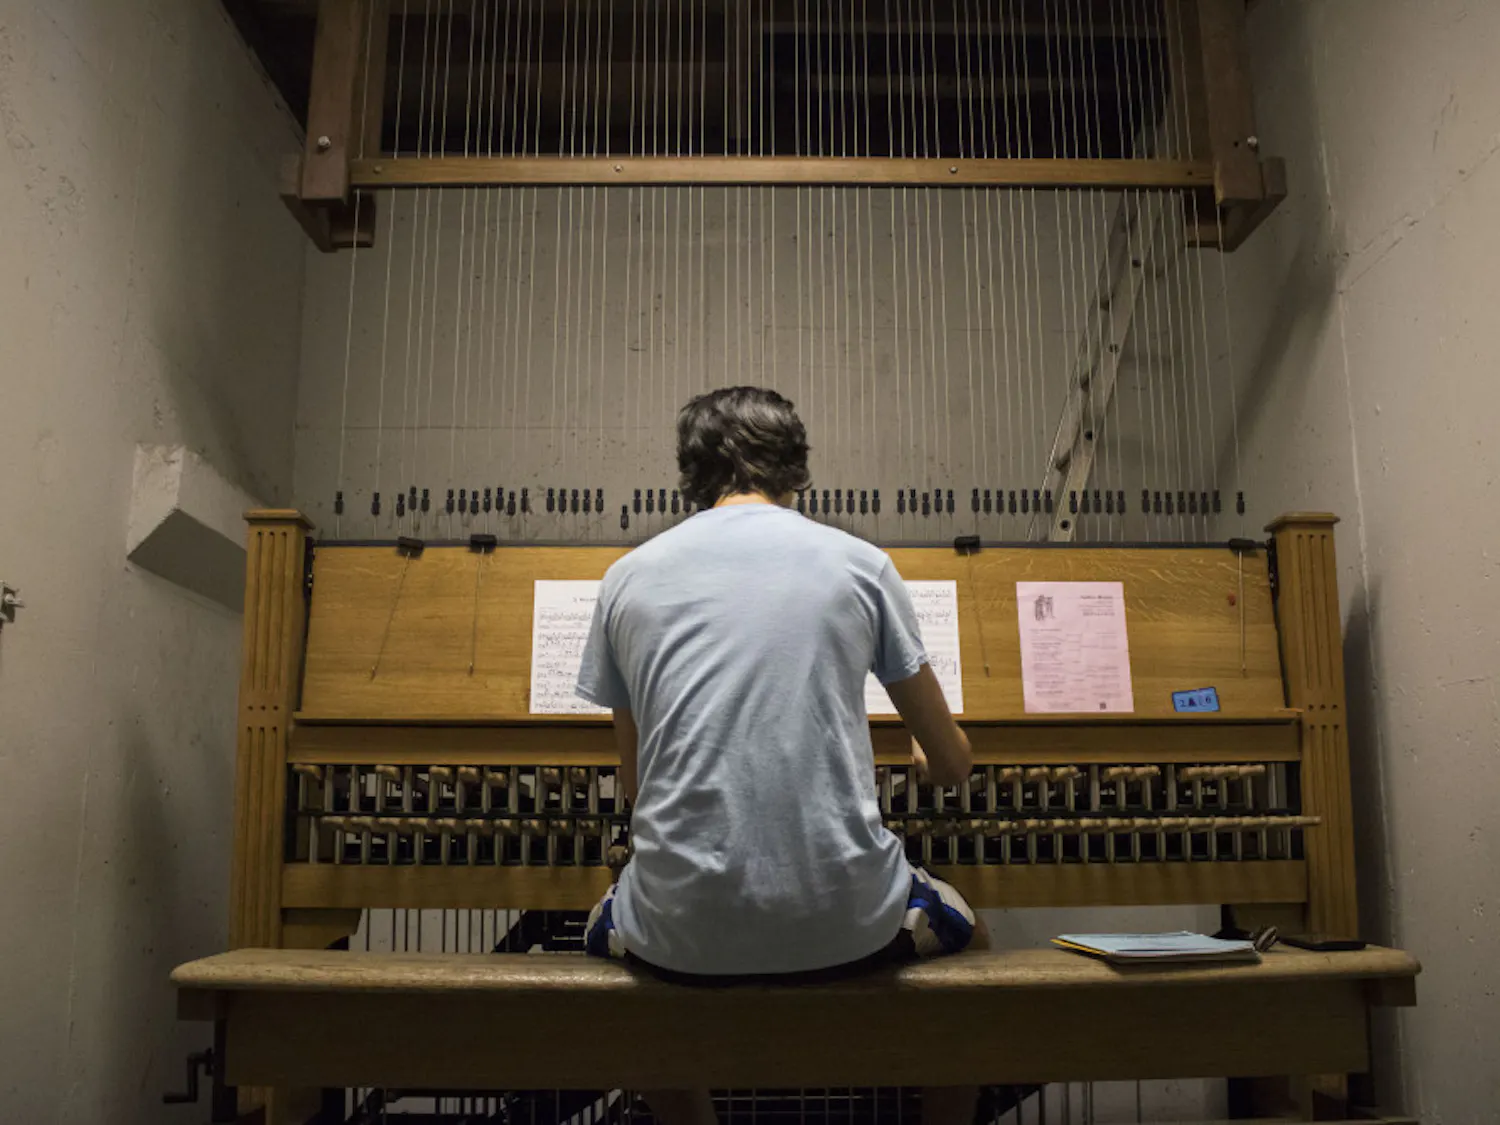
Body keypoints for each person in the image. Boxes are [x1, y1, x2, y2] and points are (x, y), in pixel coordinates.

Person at [576, 386, 988, 1125]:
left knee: (613, 941)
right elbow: (953, 763)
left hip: (679, 934)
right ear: (797, 470)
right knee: (979, 937)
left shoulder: (626, 577)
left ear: (693, 473)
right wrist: (929, 764)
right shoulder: (861, 564)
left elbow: (637, 791)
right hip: (849, 923)